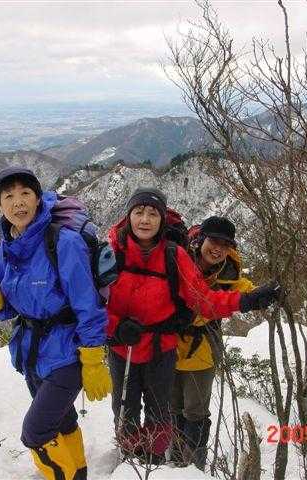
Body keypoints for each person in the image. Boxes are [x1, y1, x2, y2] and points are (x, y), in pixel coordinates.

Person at [106, 188, 281, 465]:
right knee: (125, 410)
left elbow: (204, 300)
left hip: (161, 349)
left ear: (162, 219)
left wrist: (247, 300)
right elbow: (91, 302)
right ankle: (130, 461)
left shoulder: (175, 256)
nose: (145, 219)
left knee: (159, 413)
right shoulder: (111, 253)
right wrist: (115, 327)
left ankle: (154, 462)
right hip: (122, 348)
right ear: (128, 216)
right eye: (138, 212)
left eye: (153, 214)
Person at [0, 167, 112, 480]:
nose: (18, 202)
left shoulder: (64, 243)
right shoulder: (4, 250)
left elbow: (88, 305)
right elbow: (10, 307)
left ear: (38, 199)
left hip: (68, 354)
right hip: (32, 355)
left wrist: (93, 358)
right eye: (9, 196)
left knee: (35, 432)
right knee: (62, 421)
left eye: (25, 193)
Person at [170, 216, 256, 470]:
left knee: (195, 411)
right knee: (172, 406)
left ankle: (193, 466)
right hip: (168, 345)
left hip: (203, 348)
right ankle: (173, 462)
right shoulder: (179, 260)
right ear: (200, 240)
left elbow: (242, 288)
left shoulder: (228, 271)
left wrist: (260, 294)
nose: (218, 249)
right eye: (214, 241)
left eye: (225, 245)